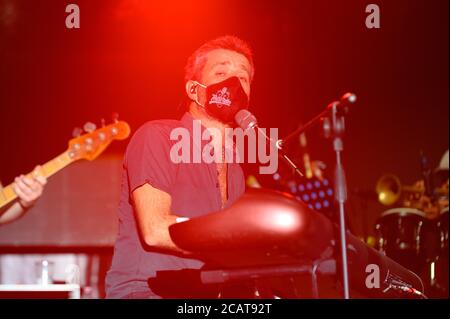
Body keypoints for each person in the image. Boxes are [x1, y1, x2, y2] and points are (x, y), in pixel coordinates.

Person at [105, 35, 255, 298]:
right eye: (221, 72)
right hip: (145, 291)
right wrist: (230, 247)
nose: (234, 84)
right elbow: (156, 230)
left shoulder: (236, 172)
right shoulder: (157, 136)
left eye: (243, 78)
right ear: (193, 89)